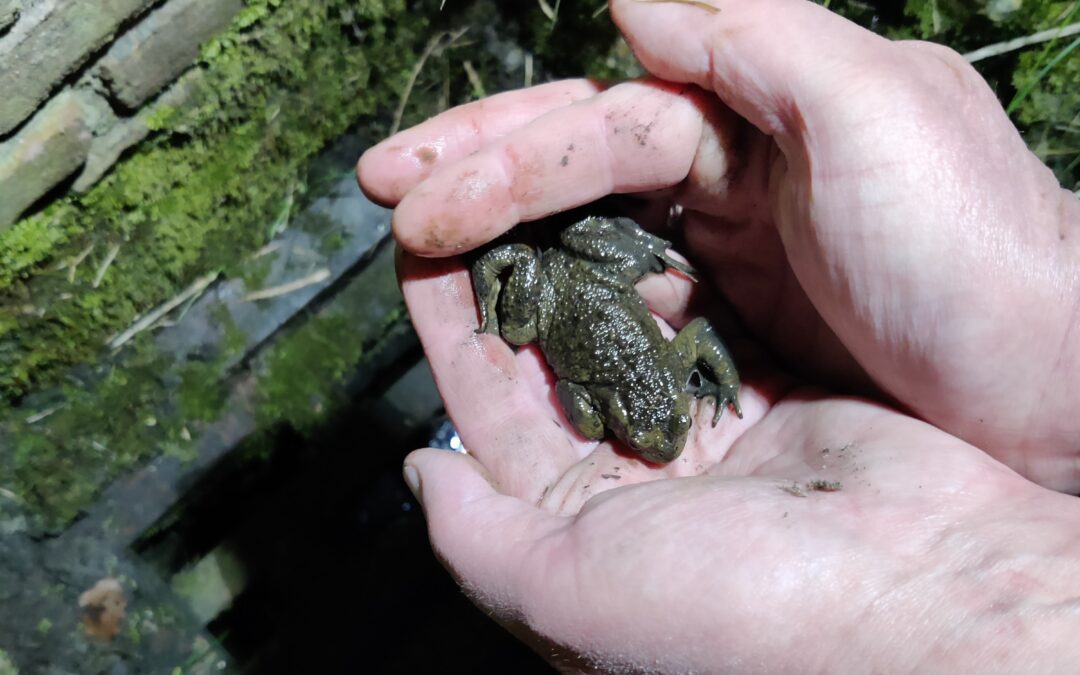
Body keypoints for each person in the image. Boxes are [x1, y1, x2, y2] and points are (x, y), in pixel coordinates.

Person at [357, 0, 1080, 670]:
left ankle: (517, 264)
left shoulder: (625, 396)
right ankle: (507, 266)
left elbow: (665, 349)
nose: (662, 440)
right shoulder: (635, 386)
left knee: (544, 307)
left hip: (597, 302)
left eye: (660, 429)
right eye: (653, 435)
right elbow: (681, 342)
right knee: (519, 318)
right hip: (583, 293)